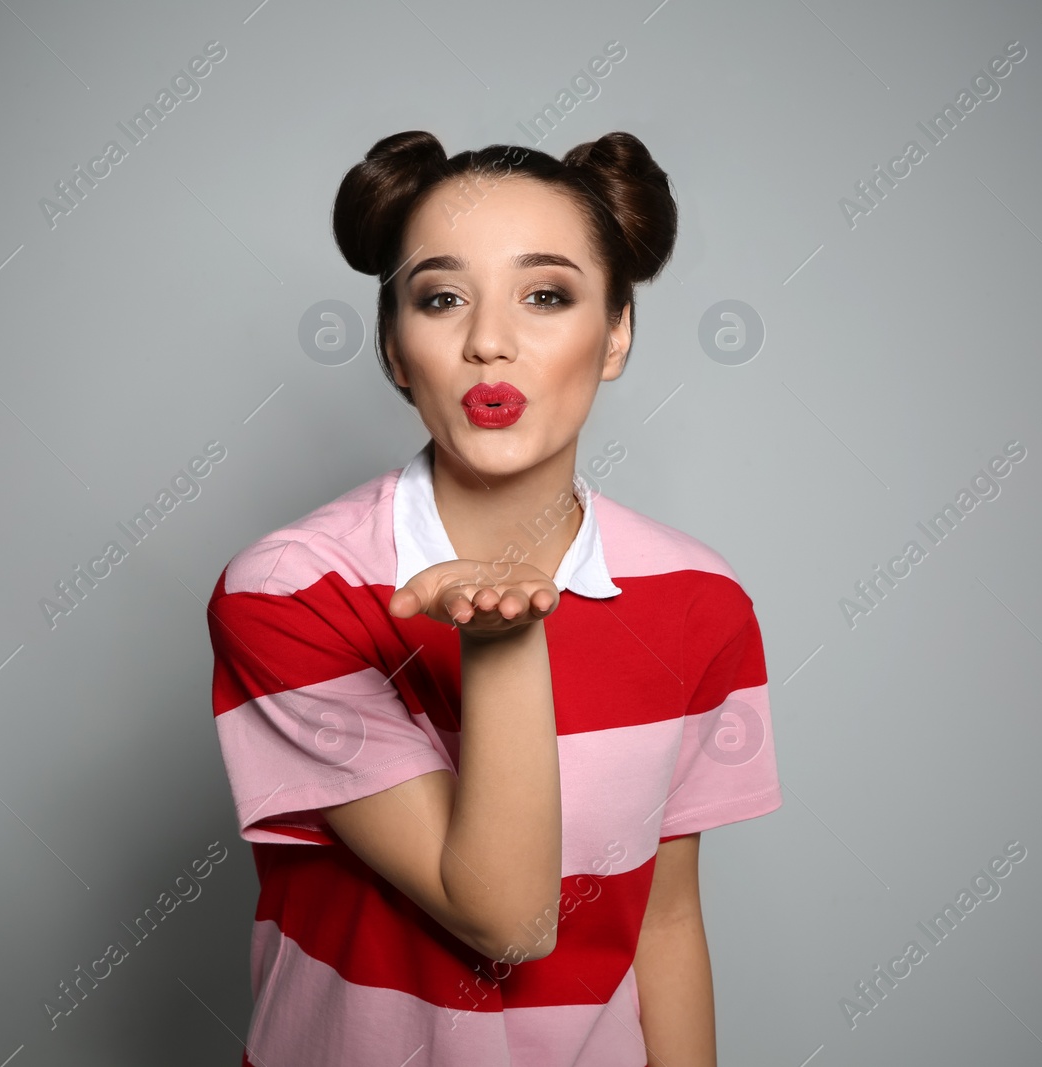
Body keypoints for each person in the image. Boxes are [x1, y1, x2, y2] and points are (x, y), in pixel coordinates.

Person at [206, 129, 782, 1066]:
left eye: (546, 295)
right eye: (441, 299)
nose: (488, 342)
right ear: (395, 348)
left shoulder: (699, 600)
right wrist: (505, 633)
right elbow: (506, 917)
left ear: (618, 335)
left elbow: (666, 921)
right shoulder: (288, 591)